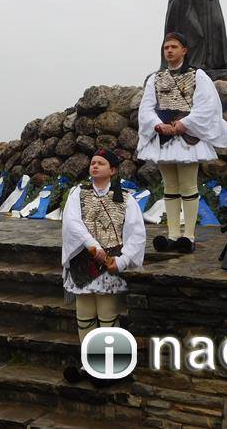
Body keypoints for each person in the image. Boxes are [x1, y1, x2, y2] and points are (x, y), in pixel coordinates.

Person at [137, 32, 227, 253]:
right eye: (166, 47)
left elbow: (207, 105)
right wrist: (158, 124)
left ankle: (188, 236)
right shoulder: (155, 79)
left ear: (184, 50)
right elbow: (146, 107)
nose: (169, 50)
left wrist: (184, 124)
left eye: (174, 46)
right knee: (169, 187)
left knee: (188, 186)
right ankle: (172, 234)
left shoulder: (198, 76)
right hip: (163, 137)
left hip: (187, 137)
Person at [61, 149, 146, 385]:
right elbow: (72, 222)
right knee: (85, 316)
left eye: (101, 163)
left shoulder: (127, 198)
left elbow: (136, 233)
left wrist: (122, 260)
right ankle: (89, 365)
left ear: (113, 170)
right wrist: (92, 247)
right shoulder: (77, 193)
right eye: (92, 163)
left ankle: (109, 366)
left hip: (110, 265)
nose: (95, 166)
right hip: (83, 262)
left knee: (107, 316)